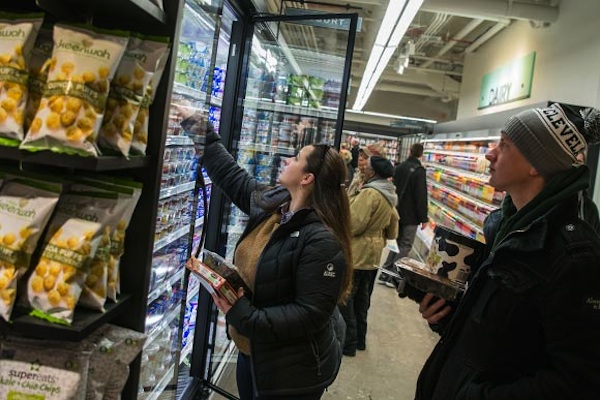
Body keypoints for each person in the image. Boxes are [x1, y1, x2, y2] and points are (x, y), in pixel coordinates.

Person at [416, 103, 600, 399]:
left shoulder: (575, 257)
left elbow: (579, 381)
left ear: (535, 164)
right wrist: (448, 317)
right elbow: (508, 340)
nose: (490, 153)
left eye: (505, 144)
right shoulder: (506, 228)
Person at [181, 113, 353, 400]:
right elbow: (233, 177)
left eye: (297, 158)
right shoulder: (277, 206)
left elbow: (309, 314)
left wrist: (243, 315)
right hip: (253, 353)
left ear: (307, 178)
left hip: (290, 373)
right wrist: (197, 127)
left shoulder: (322, 241)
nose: (288, 160)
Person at [339, 155, 399, 356]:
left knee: (346, 299)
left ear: (373, 172)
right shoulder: (389, 193)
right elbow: (393, 228)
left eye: (367, 166)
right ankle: (360, 340)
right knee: (362, 301)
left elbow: (354, 224)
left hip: (358, 252)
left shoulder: (370, 194)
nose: (363, 167)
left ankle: (348, 343)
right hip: (373, 255)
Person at [378, 143, 428, 290]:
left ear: (410, 151)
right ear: (420, 154)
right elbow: (420, 196)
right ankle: (394, 276)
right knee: (405, 245)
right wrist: (423, 218)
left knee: (395, 243)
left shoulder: (399, 167)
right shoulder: (419, 171)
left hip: (397, 210)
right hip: (411, 215)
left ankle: (384, 272)